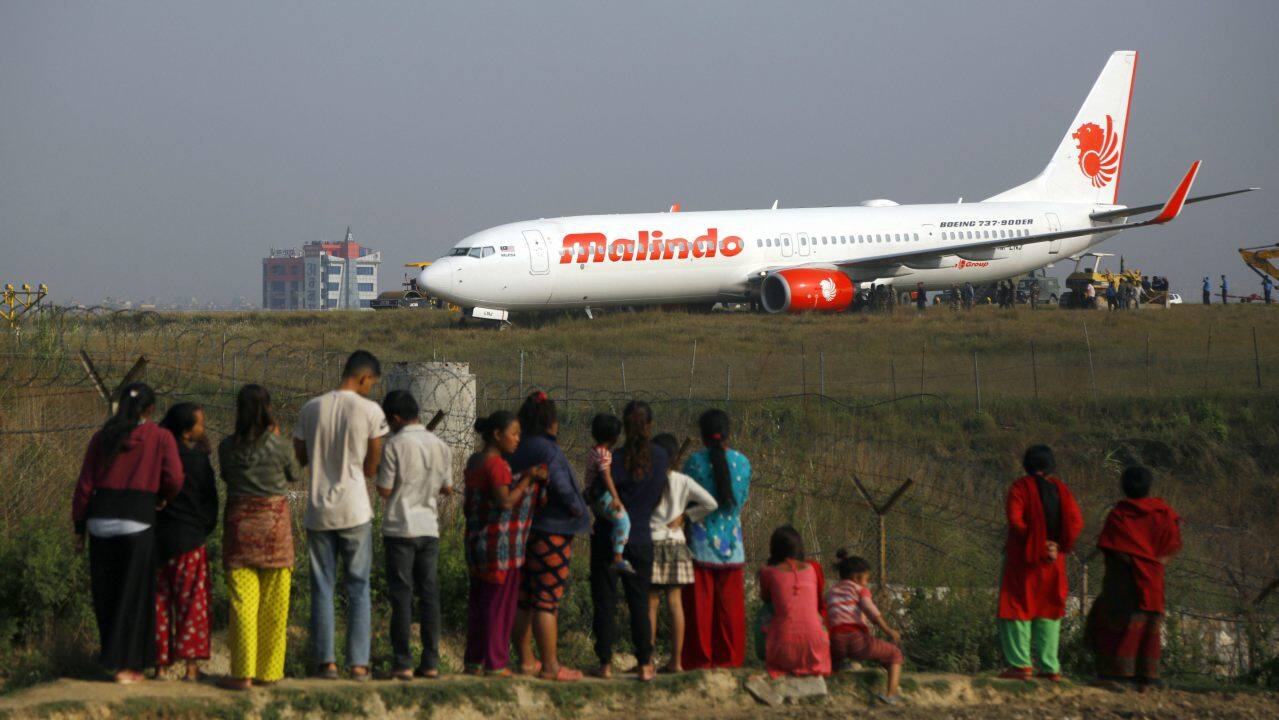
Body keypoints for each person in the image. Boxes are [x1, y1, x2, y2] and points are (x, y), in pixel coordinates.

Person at [72, 382, 183, 684]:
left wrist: (80, 527)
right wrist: (162, 499)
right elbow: (174, 478)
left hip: (100, 520)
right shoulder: (160, 438)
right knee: (132, 597)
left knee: (106, 594)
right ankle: (128, 667)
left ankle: (110, 658)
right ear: (150, 409)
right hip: (137, 520)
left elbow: (84, 485)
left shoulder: (102, 437)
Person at [293, 350, 389, 681]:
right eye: (371, 383)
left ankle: (327, 663)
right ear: (364, 377)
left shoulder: (312, 408)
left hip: (319, 509)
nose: (370, 389)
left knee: (323, 586)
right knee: (358, 586)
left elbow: (301, 455)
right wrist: (362, 467)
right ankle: (359, 663)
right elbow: (373, 463)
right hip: (355, 508)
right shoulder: (370, 410)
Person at [218, 384, 302, 690]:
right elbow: (294, 473)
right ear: (268, 409)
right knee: (275, 606)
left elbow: (227, 476)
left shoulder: (227, 446)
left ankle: (243, 674)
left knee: (243, 604)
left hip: (240, 530)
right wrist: (278, 438)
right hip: (275, 531)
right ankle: (269, 673)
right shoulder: (278, 445)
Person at [508, 391, 590, 682]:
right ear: (550, 422)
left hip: (523, 529)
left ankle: (526, 659)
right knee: (546, 600)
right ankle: (551, 666)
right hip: (552, 529)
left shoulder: (516, 446)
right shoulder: (547, 450)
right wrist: (578, 510)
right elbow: (563, 488)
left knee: (525, 598)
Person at [377, 390, 453, 680]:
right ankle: (431, 661)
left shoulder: (394, 445)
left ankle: (403, 661)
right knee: (430, 595)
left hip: (400, 528)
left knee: (402, 596)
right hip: (428, 528)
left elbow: (384, 490)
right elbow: (446, 488)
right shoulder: (440, 445)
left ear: (395, 418)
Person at [591, 400, 668, 682]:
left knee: (605, 601)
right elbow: (659, 494)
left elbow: (597, 497)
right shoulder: (660, 457)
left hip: (607, 538)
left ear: (623, 426)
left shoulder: (613, 459)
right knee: (639, 602)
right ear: (649, 426)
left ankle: (605, 663)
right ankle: (646, 663)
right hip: (642, 537)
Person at [1085, 466, 1182, 692]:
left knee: (1113, 623)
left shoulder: (1120, 515)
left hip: (1124, 584)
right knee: (1148, 626)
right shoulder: (1164, 513)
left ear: (1123, 486)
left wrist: (1135, 564)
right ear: (1149, 486)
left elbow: (1114, 548)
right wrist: (1154, 565)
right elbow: (1173, 546)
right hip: (1154, 580)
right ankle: (1148, 677)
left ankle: (1117, 675)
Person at [463, 410, 544, 676]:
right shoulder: (497, 465)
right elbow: (505, 501)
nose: (518, 439)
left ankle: (474, 660)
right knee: (499, 605)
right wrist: (528, 480)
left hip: (476, 544)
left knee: (479, 603)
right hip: (499, 547)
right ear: (497, 435)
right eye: (514, 433)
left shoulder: (475, 461)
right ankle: (495, 662)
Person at [997, 444, 1084, 682]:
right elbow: (1076, 522)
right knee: (1049, 610)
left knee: (1016, 607)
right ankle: (1050, 667)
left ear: (1026, 465)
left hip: (1023, 559)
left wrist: (1037, 542)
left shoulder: (1019, 488)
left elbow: (1015, 520)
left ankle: (1021, 665)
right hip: (1054, 561)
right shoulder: (1062, 490)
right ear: (1051, 466)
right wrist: (1058, 546)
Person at [681, 408, 752, 670]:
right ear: (728, 433)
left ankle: (700, 661)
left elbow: (686, 502)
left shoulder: (694, 464)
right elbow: (740, 501)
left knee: (700, 608)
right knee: (730, 610)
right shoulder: (742, 463)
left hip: (700, 543)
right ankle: (730, 660)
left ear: (702, 435)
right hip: (732, 546)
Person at [155, 403, 219, 681]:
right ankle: (191, 669)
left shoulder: (158, 458)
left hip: (158, 539)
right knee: (192, 602)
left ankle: (159, 666)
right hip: (190, 540)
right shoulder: (197, 461)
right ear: (186, 431)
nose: (203, 429)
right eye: (200, 424)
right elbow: (210, 501)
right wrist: (204, 528)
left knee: (159, 604)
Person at [647, 432, 718, 673]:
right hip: (677, 546)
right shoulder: (682, 481)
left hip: (653, 544)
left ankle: (647, 661)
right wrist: (685, 516)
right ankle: (676, 662)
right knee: (675, 604)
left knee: (651, 605)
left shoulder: (647, 479)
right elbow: (710, 503)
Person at [827, 551, 903, 704]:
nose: (867, 583)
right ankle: (891, 694)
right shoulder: (859, 589)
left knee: (839, 659)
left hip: (834, 641)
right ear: (857, 577)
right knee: (894, 654)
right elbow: (870, 611)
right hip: (856, 640)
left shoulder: (831, 592)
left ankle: (837, 669)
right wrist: (888, 630)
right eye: (866, 579)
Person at [758, 526, 831, 679]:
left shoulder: (768, 572)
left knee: (766, 609)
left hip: (783, 650)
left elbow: (765, 598)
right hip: (816, 649)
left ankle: (763, 653)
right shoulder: (812, 568)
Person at [582, 413, 634, 575]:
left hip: (592, 495)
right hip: (601, 495)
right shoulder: (604, 454)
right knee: (623, 521)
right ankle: (617, 557)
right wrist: (616, 497)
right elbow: (605, 475)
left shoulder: (594, 451)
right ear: (615, 437)